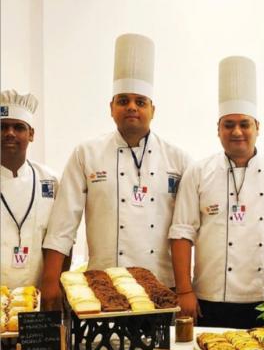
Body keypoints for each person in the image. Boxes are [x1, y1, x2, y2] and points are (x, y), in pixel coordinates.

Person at [40, 33, 191, 310]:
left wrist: (186, 289)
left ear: (153, 110)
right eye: (123, 100)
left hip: (162, 287)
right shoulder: (87, 153)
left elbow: (186, 229)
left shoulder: (178, 159)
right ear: (111, 108)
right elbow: (63, 224)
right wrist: (50, 281)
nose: (131, 107)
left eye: (140, 101)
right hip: (103, 288)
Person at [170, 56, 264, 328]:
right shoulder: (198, 172)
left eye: (244, 124)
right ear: (218, 130)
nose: (237, 132)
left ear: (257, 127)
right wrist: (184, 290)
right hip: (209, 296)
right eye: (228, 125)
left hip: (263, 297)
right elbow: (181, 234)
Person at [1, 90, 62, 288]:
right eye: (2, 127)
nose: (10, 133)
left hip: (38, 295)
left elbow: (61, 238)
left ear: (31, 134)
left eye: (18, 127)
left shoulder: (50, 180)